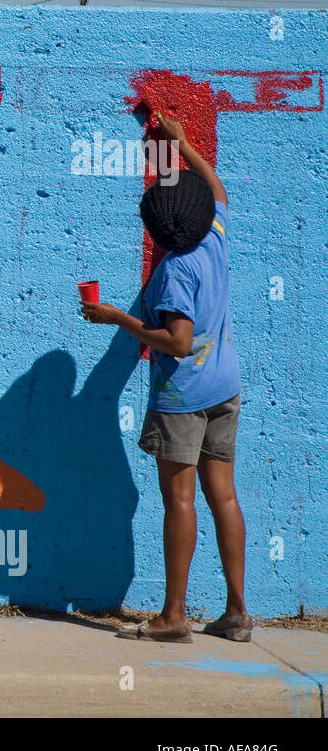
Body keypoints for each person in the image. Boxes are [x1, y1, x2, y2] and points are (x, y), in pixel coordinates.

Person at [82, 111, 251, 643]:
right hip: (226, 388)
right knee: (222, 495)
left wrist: (120, 320)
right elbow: (217, 188)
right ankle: (237, 613)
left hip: (183, 397)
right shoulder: (215, 235)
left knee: (179, 501)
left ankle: (174, 615)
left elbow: (177, 342)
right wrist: (183, 145)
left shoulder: (175, 269)